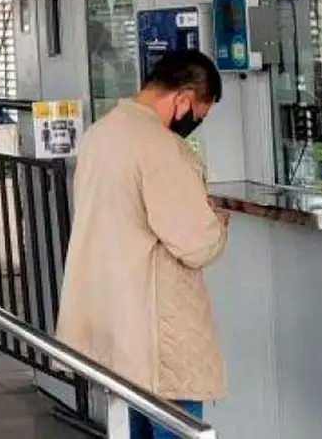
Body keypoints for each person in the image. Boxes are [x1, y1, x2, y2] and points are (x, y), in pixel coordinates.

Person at [54, 49, 230, 439]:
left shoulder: (100, 134)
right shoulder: (162, 149)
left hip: (114, 328)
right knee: (175, 426)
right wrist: (217, 218)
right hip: (157, 336)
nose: (193, 125)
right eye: (198, 116)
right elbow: (197, 244)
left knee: (130, 427)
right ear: (183, 98)